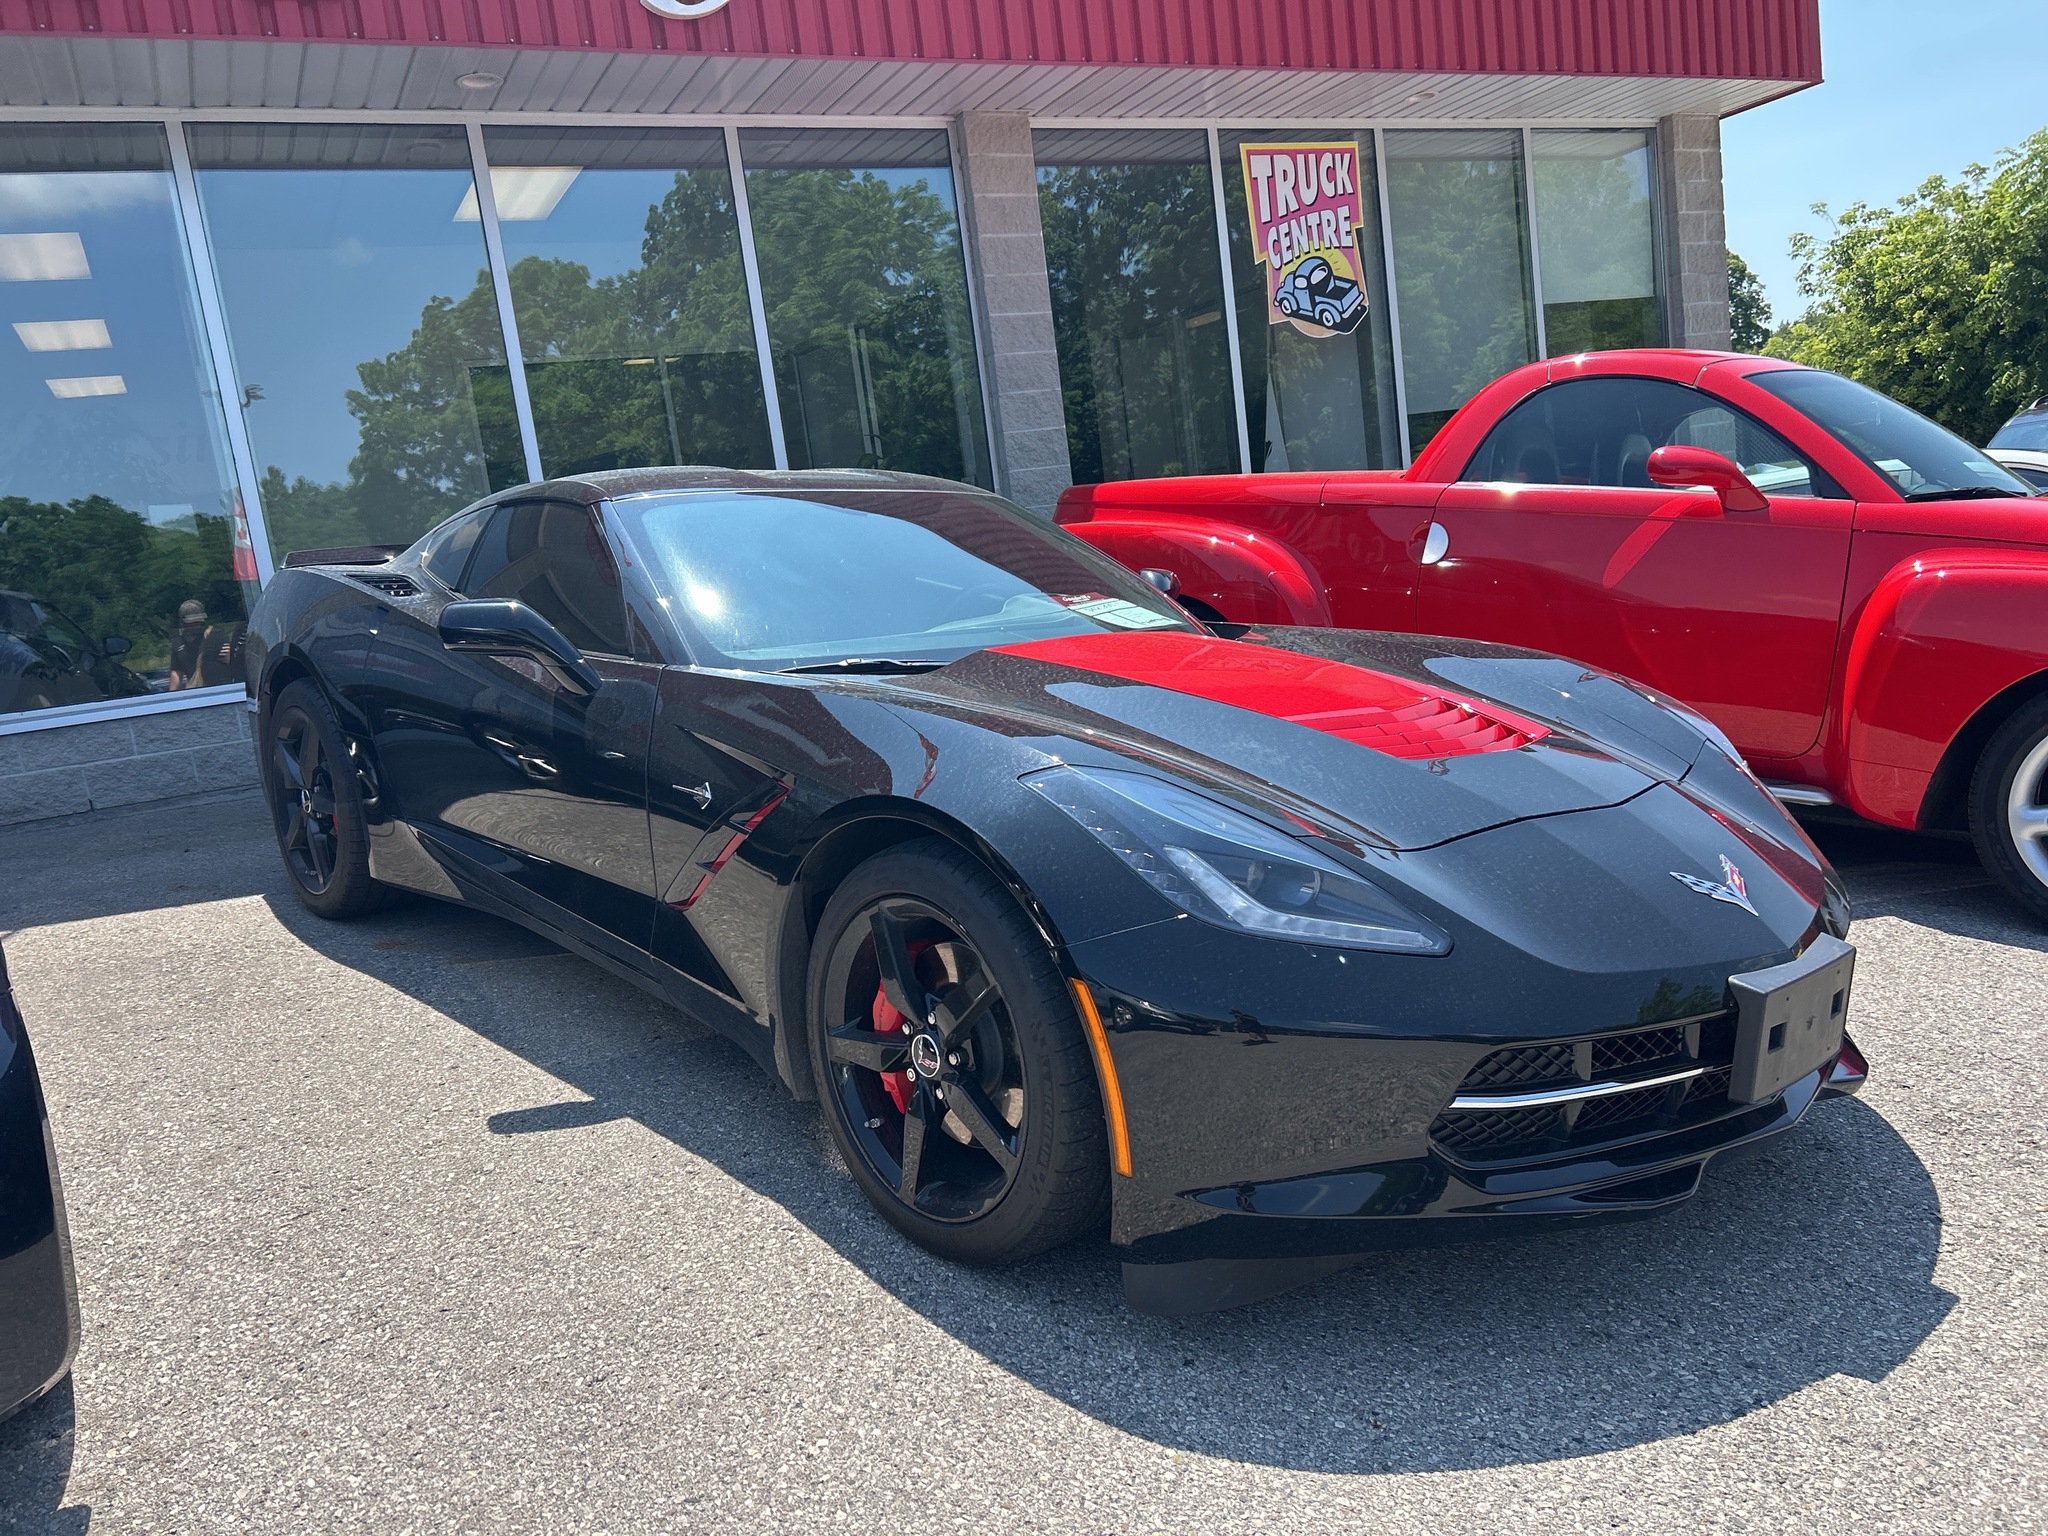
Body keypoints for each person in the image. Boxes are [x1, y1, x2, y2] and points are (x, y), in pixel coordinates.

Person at [168, 600, 207, 690]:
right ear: (182, 623)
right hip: (194, 688)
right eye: (191, 623)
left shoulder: (211, 637)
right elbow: (177, 672)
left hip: (217, 688)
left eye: (197, 622)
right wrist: (172, 695)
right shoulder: (178, 643)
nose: (195, 626)